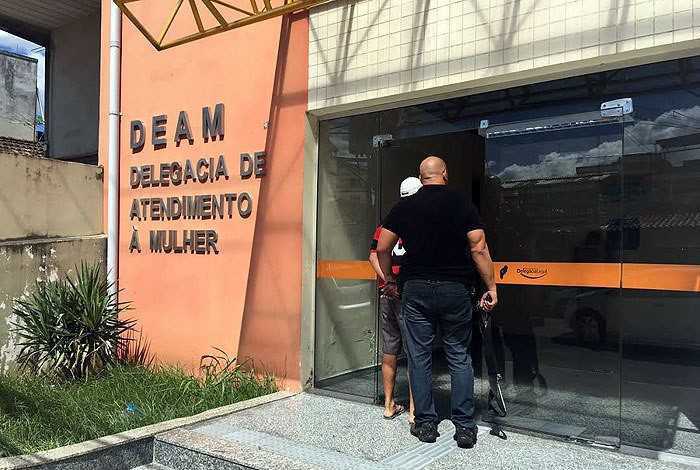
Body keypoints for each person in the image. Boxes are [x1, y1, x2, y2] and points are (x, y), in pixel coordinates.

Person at [376, 156, 497, 449]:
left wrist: (390, 280)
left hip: (415, 289)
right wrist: (491, 286)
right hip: (455, 289)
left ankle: (426, 424)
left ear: (421, 177)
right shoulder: (462, 203)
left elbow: (382, 247)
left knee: (419, 356)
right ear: (445, 173)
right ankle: (464, 426)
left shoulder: (405, 206)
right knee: (459, 355)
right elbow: (478, 247)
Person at [368, 176, 421, 422]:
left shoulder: (386, 225)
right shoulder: (419, 224)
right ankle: (414, 409)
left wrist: (388, 281)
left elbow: (373, 256)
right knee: (415, 351)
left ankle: (389, 405)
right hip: (409, 293)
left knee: (390, 349)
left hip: (388, 293)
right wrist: (398, 284)